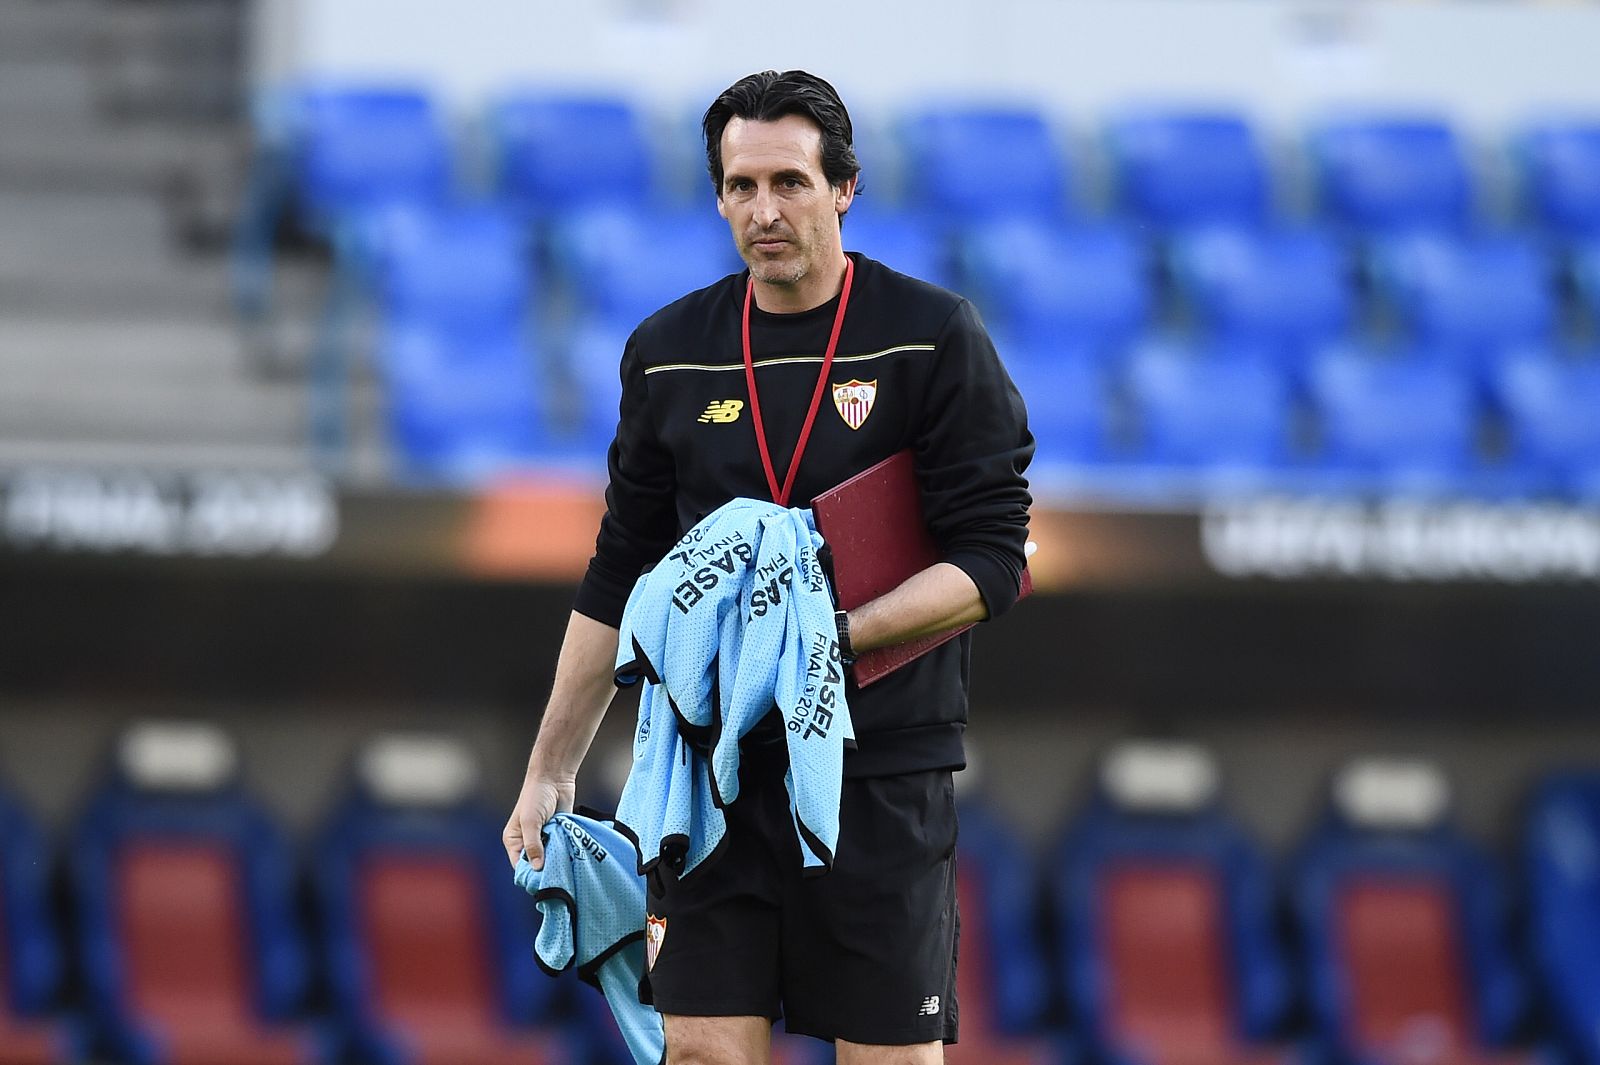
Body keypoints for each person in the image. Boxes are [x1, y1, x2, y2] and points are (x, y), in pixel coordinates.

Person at [503, 69, 1033, 1065]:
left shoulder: (931, 337)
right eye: (740, 187)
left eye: (789, 182)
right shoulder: (668, 352)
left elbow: (994, 561)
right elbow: (621, 569)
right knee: (699, 1054)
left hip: (877, 776)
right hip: (706, 774)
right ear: (716, 197)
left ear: (843, 187)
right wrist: (549, 769)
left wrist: (822, 638)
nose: (764, 211)